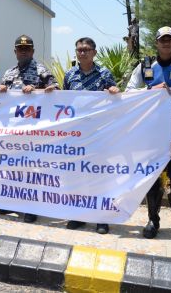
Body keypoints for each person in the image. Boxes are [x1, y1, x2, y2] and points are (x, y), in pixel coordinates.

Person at [126, 26, 171, 242]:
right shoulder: (145, 66)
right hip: (151, 130)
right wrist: (150, 91)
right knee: (152, 178)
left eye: (170, 40)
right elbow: (128, 92)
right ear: (156, 42)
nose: (166, 43)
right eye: (162, 40)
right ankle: (153, 220)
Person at [0, 35, 58, 223]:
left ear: (32, 51)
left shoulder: (41, 70)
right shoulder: (9, 72)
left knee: (32, 170)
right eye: (20, 48)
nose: (23, 51)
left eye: (27, 48)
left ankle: (30, 207)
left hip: (33, 132)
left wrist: (38, 90)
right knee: (12, 167)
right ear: (15, 51)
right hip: (13, 130)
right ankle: (11, 203)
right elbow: (2, 96)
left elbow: (56, 88)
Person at [63, 37, 119, 235]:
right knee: (76, 176)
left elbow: (116, 100)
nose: (82, 53)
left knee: (99, 177)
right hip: (76, 135)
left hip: (98, 135)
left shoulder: (104, 74)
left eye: (86, 49)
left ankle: (101, 218)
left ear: (94, 52)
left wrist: (114, 91)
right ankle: (77, 215)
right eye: (79, 49)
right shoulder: (69, 75)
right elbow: (64, 102)